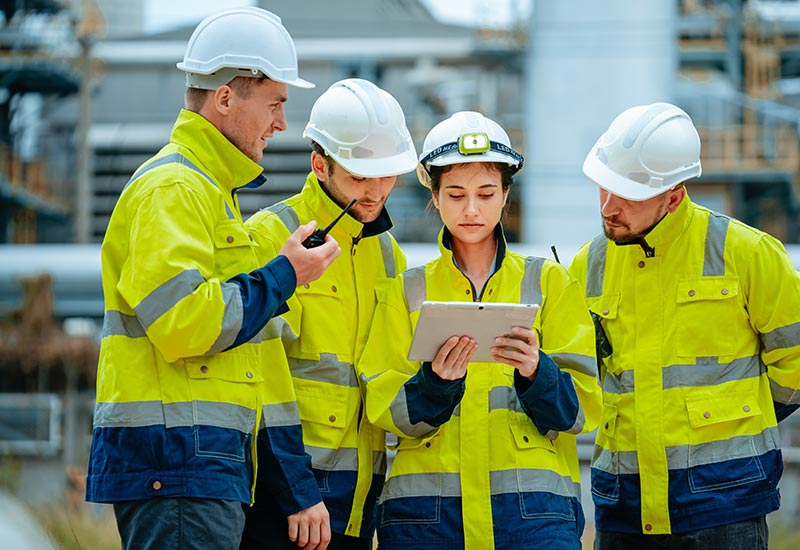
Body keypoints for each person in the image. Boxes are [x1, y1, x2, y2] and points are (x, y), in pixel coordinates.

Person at [85, 8, 337, 549]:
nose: (281, 123)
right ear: (225, 98)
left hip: (198, 464)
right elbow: (184, 323)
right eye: (274, 104)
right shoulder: (173, 189)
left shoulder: (210, 194)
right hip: (176, 463)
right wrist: (285, 275)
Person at [567, 102, 800, 549]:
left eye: (627, 194)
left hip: (725, 502)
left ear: (674, 195)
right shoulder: (588, 265)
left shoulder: (746, 254)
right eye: (603, 189)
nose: (608, 207)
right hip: (623, 504)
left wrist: (737, 418)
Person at [357, 111, 603, 549]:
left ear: (506, 195)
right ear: (434, 196)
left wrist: (536, 372)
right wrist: (434, 383)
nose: (471, 209)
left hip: (531, 517)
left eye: (486, 193)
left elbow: (581, 413)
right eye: (455, 194)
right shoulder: (405, 291)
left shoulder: (549, 284)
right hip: (428, 520)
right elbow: (383, 408)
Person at [241, 78, 418, 550]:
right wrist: (296, 494)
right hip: (285, 503)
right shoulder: (270, 237)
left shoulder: (388, 254)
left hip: (359, 500)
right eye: (361, 176)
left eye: (386, 174)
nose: (377, 190)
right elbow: (259, 380)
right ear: (319, 165)